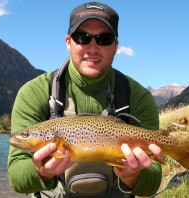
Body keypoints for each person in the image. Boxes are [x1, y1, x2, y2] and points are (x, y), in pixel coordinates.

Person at [8, 2, 163, 197]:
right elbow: (16, 178)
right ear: (68, 42)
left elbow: (151, 184)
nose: (92, 48)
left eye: (104, 39)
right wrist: (41, 171)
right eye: (82, 37)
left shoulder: (139, 97)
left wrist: (133, 177)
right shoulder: (33, 92)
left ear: (115, 46)